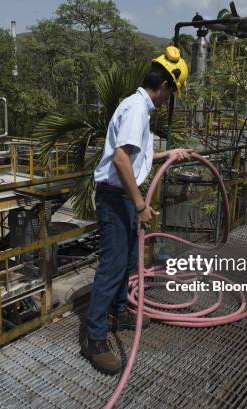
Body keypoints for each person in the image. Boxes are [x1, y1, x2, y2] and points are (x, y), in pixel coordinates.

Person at [81, 46, 193, 375]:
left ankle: (118, 308)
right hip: (116, 196)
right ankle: (95, 337)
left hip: (122, 196)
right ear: (166, 87)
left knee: (130, 258)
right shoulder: (135, 109)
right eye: (171, 94)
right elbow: (119, 159)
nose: (168, 100)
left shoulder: (139, 109)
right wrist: (141, 204)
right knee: (114, 265)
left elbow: (134, 155)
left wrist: (167, 152)